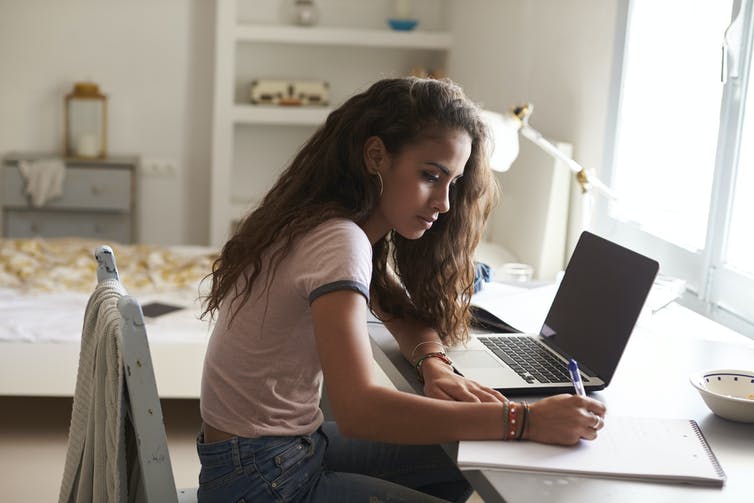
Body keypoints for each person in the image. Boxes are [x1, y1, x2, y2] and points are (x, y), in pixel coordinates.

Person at [197, 77, 607, 503]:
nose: (445, 203)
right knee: (476, 442)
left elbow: (399, 310)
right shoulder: (340, 239)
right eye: (431, 175)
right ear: (376, 155)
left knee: (458, 454)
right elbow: (360, 411)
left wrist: (434, 362)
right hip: (263, 480)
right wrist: (522, 420)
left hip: (263, 456)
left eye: (453, 182)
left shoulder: (323, 221)